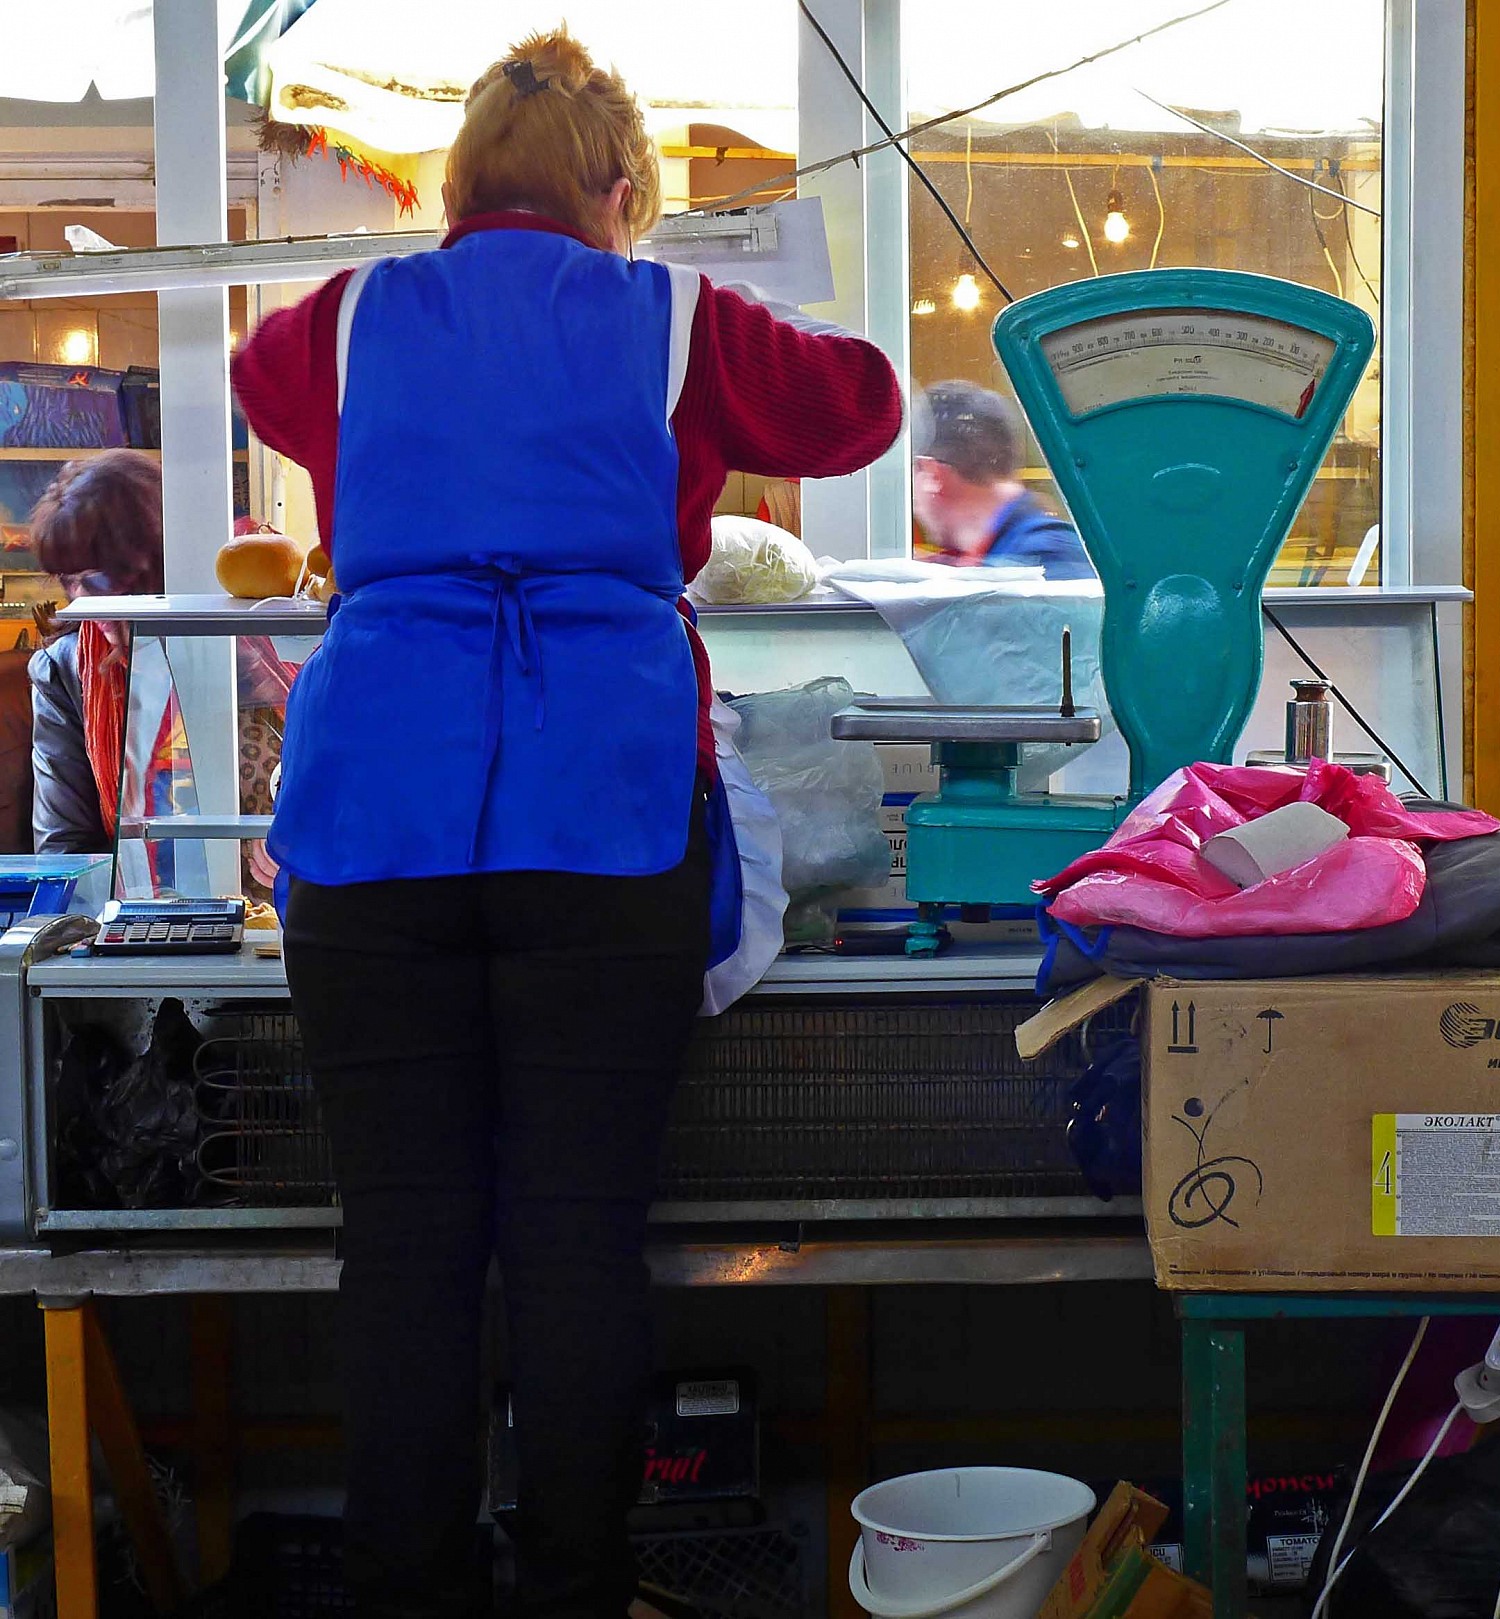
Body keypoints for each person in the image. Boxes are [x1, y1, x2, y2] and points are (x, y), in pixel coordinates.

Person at [230, 29, 901, 1617]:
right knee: (576, 1239)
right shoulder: (668, 313)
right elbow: (864, 407)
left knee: (404, 1245)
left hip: (373, 818)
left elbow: (263, 389)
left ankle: (410, 1588)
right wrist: (703, 290)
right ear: (619, 193)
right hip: (601, 815)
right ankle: (577, 1587)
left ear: (455, 189)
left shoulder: (346, 319)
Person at [24, 451, 290, 892]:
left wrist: (307, 847)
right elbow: (64, 847)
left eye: (99, 578)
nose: (82, 600)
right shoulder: (65, 673)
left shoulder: (258, 644)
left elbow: (341, 789)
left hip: (280, 918)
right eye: (68, 580)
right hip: (141, 923)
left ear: (156, 561)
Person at [911, 380, 1095, 579]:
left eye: (912, 474)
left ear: (932, 475)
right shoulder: (1000, 556)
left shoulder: (1047, 561)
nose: (912, 500)